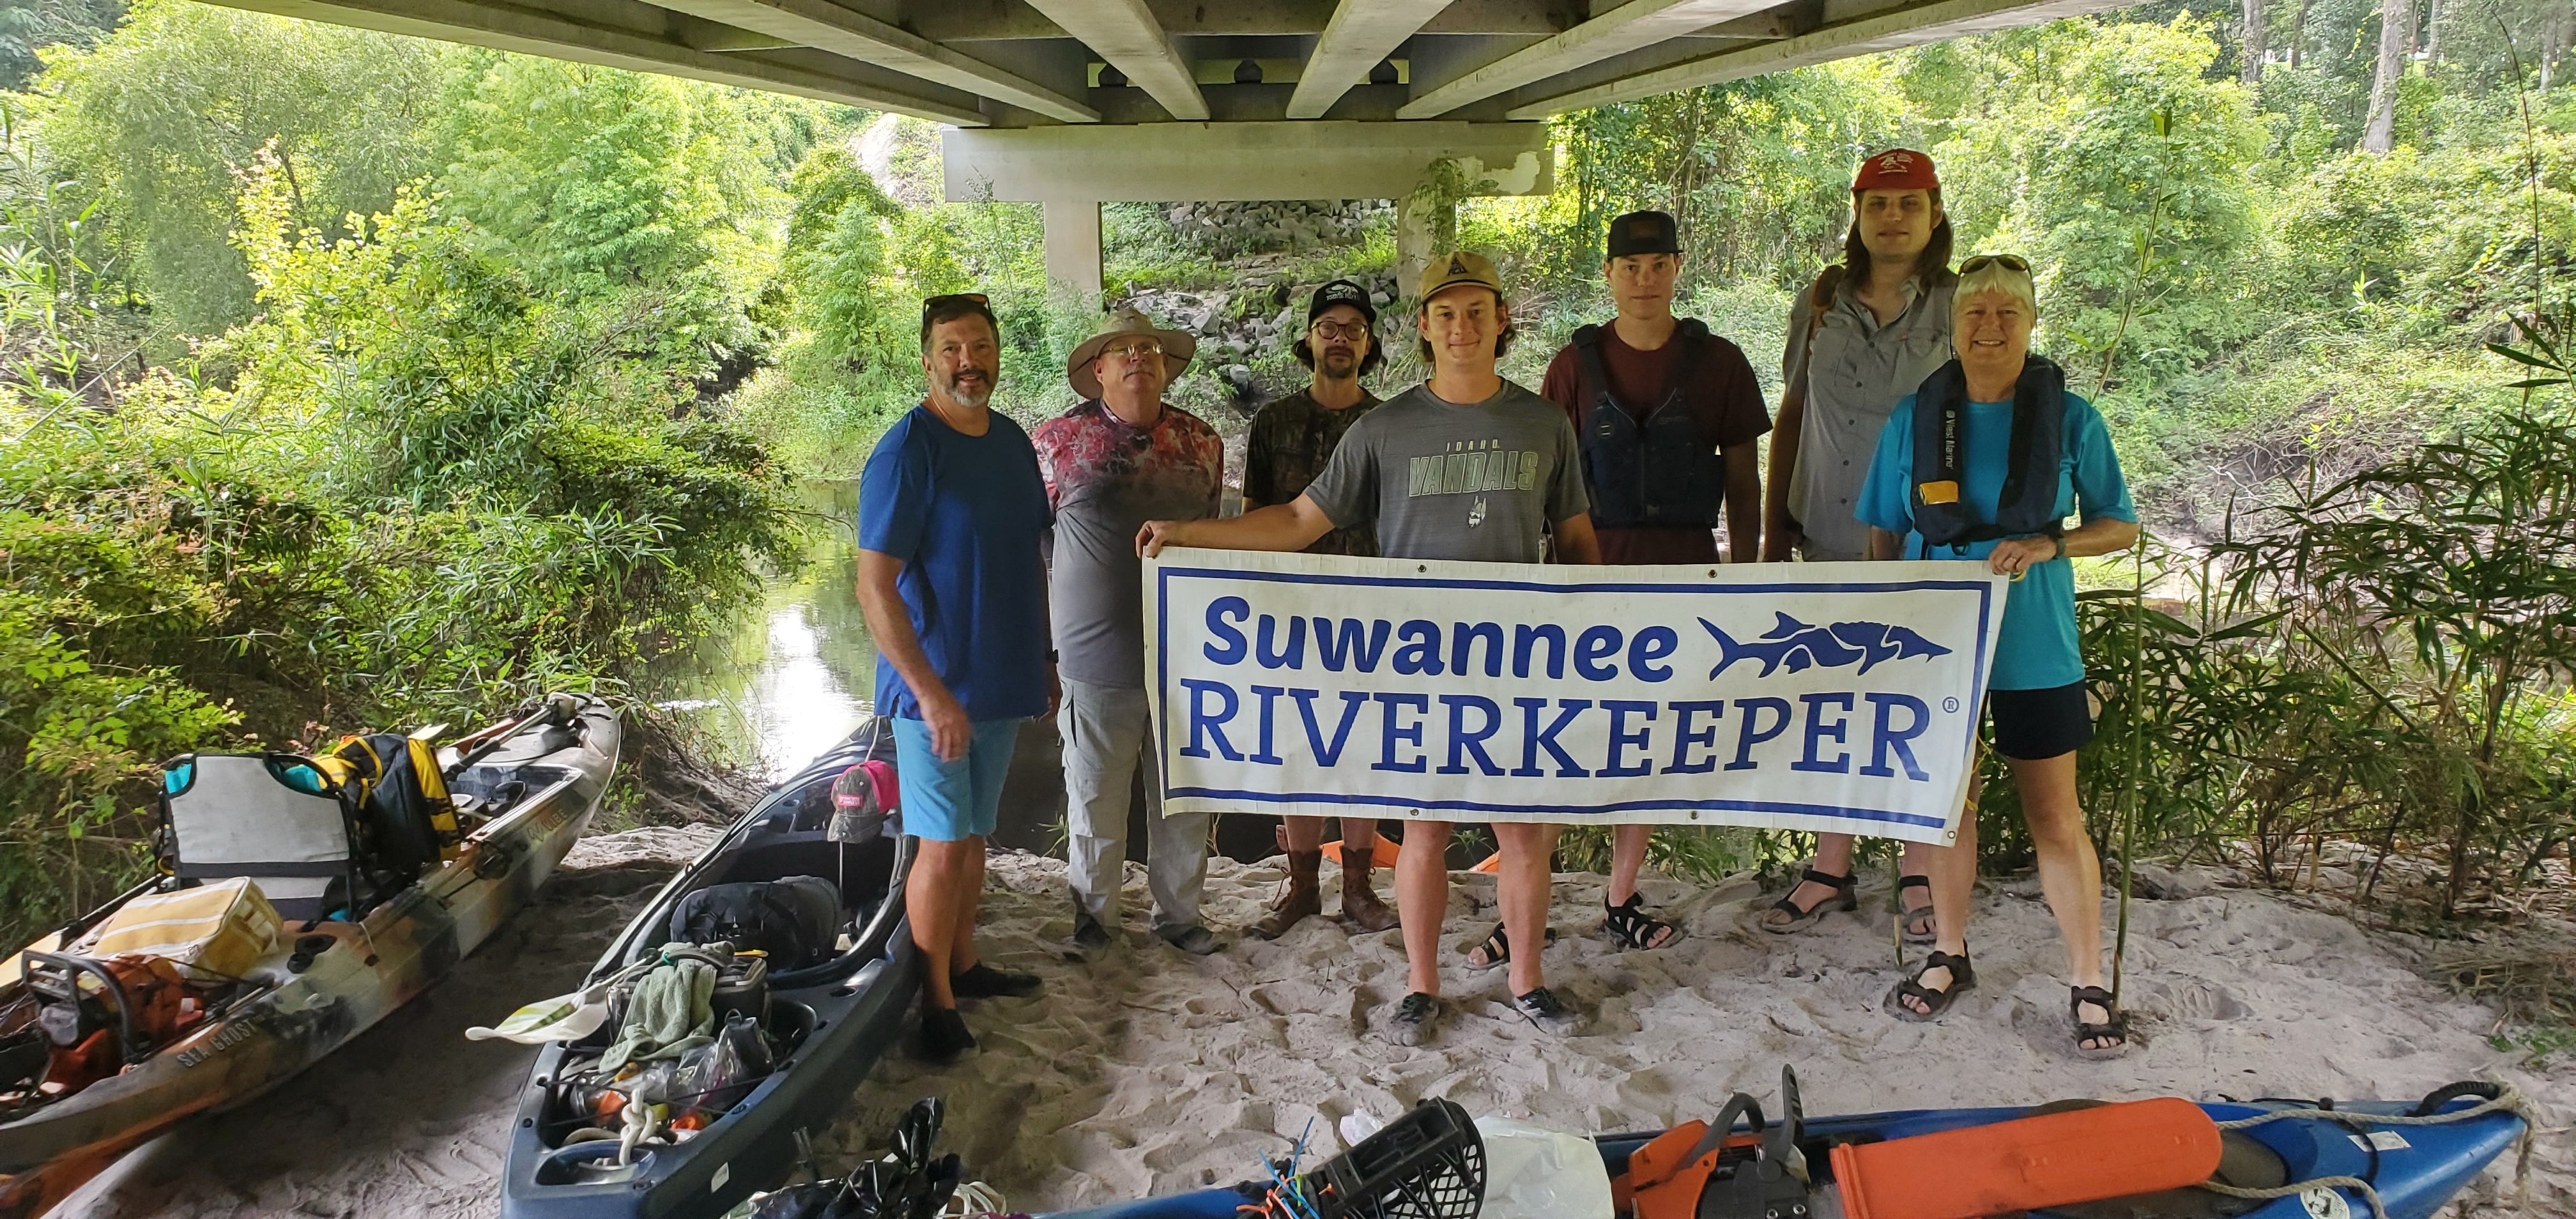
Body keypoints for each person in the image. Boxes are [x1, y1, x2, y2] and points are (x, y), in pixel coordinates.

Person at [1138, 251, 1601, 1046]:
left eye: (1476, 312)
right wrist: (1190, 530)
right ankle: (1422, 985)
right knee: (1423, 826)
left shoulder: (1543, 423)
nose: (1461, 327)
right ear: (1423, 327)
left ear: (1501, 322)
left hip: (1518, 666)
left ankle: (1527, 980)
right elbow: (1292, 523)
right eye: (1445, 314)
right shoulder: (1383, 430)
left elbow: (1578, 542)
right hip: (1418, 663)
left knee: (1522, 832)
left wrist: (1607, 630)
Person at [1855, 254, 2140, 1057]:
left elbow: (2119, 524)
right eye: (1975, 312)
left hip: (2035, 637)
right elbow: (1882, 526)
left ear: (2030, 324)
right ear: (1952, 327)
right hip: (1934, 641)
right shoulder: (1915, 418)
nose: (1989, 326)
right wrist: (1885, 617)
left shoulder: (2073, 418)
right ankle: (1950, 951)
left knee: (2055, 812)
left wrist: (2052, 541)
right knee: (1949, 804)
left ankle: (2087, 979)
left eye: (2007, 313)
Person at [1537, 209, 1770, 956]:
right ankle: (1527, 902)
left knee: (1649, 741)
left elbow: (1743, 476)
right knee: (1559, 739)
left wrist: (1746, 578)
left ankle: (1619, 894)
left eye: (1656, 265)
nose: (1643, 280)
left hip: (1686, 575)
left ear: (1677, 268)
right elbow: (1545, 477)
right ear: (1608, 274)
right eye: (1628, 267)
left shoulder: (1721, 363)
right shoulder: (1573, 367)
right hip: (1588, 571)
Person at [1757, 148, 1958, 942]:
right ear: (1859, 214)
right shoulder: (1822, 300)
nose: (1893, 218)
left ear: (1934, 213)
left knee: (1914, 710)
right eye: (1878, 203)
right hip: (1827, 539)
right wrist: (1773, 531)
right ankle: (1830, 865)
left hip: (1924, 549)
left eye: (1909, 204)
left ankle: (1915, 867)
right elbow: (1794, 416)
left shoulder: (1959, 302)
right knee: (1830, 707)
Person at [854, 293, 1054, 1063]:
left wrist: (1044, 658)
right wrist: (932, 693)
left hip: (1002, 676)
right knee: (938, 846)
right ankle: (934, 1000)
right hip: (931, 691)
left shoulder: (1009, 443)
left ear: (998, 353)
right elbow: (874, 587)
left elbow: (1028, 557)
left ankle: (965, 965)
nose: (968, 361)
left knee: (973, 838)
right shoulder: (908, 450)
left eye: (980, 346)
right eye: (950, 349)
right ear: (928, 360)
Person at [1034, 307, 1227, 957]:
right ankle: (1095, 922)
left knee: (1186, 799)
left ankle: (1181, 918)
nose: (1140, 358)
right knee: (1095, 799)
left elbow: (1215, 541)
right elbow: (1034, 547)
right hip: (1093, 656)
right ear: (1099, 370)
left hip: (1191, 652)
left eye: (1150, 348)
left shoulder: (1203, 442)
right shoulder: (1056, 442)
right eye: (1124, 350)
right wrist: (1044, 648)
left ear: (1167, 366)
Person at [1245, 279, 1401, 940]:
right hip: (1291, 607)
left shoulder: (1394, 422)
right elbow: (1255, 518)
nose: (1340, 338)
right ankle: (1304, 885)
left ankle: (1359, 887)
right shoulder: (1273, 421)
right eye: (1328, 327)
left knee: (1362, 745)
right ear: (1308, 340)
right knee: (1296, 745)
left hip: (1368, 607)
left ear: (1370, 346)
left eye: (1354, 329)